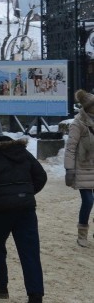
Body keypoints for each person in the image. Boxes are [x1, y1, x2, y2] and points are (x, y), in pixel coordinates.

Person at [0, 117, 46, 303]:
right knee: (30, 251)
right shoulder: (21, 150)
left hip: (2, 210)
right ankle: (35, 295)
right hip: (26, 209)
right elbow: (41, 176)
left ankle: (0, 286)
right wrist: (26, 193)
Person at [66, 89, 94, 247]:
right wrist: (69, 170)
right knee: (89, 201)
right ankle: (82, 233)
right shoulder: (78, 123)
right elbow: (70, 147)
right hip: (83, 167)